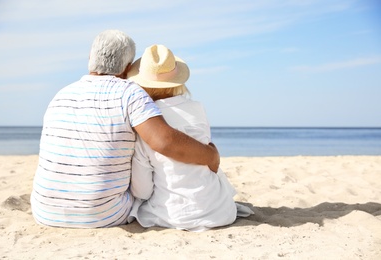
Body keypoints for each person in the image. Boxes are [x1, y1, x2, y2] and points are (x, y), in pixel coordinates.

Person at [30, 30, 220, 228]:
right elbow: (165, 141)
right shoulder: (129, 93)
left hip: (44, 211)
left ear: (90, 58)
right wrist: (210, 156)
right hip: (103, 215)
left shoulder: (61, 94)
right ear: (128, 67)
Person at [127, 44, 253, 232]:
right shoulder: (197, 109)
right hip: (220, 211)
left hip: (177, 216)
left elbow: (142, 190)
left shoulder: (147, 122)